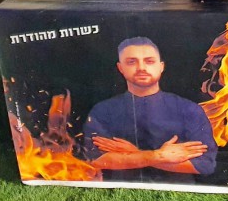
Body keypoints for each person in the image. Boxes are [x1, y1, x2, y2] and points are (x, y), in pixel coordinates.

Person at [82, 37, 218, 183]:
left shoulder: (189, 109)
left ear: (161, 66)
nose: (141, 68)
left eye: (149, 61)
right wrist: (158, 156)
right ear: (120, 68)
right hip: (122, 191)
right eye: (131, 62)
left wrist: (135, 153)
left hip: (176, 191)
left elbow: (204, 165)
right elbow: (96, 160)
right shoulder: (103, 111)